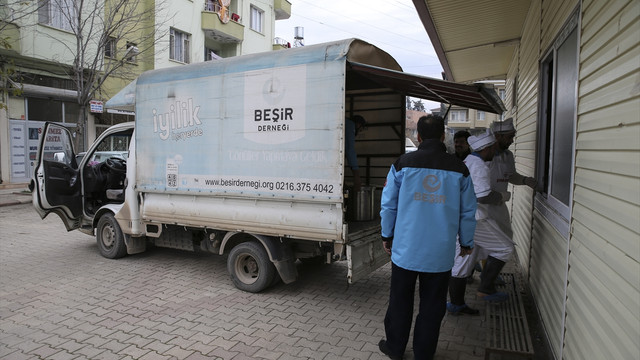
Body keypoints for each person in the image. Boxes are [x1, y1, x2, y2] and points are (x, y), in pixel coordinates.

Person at [379, 115, 477, 360]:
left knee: (400, 302)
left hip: (405, 251)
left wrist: (386, 235)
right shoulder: (459, 169)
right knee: (432, 307)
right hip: (440, 254)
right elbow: (468, 211)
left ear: (418, 137)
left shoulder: (402, 164)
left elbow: (388, 205)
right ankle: (424, 354)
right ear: (444, 137)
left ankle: (395, 348)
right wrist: (466, 242)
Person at [447, 131, 513, 316]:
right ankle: (486, 288)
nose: (495, 151)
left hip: (462, 217)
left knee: (463, 261)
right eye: (493, 148)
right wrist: (502, 196)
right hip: (476, 219)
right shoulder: (480, 166)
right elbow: (483, 195)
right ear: (487, 148)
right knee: (505, 248)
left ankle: (456, 304)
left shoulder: (467, 161)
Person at [489, 118, 537, 238]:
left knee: (505, 238)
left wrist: (525, 180)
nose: (511, 141)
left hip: (500, 206)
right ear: (498, 136)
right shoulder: (485, 155)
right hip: (483, 207)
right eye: (509, 137)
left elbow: (511, 176)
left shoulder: (508, 155)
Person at [345, 115, 367, 192]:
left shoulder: (346, 122)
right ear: (358, 124)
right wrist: (356, 172)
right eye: (360, 129)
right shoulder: (350, 125)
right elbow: (350, 149)